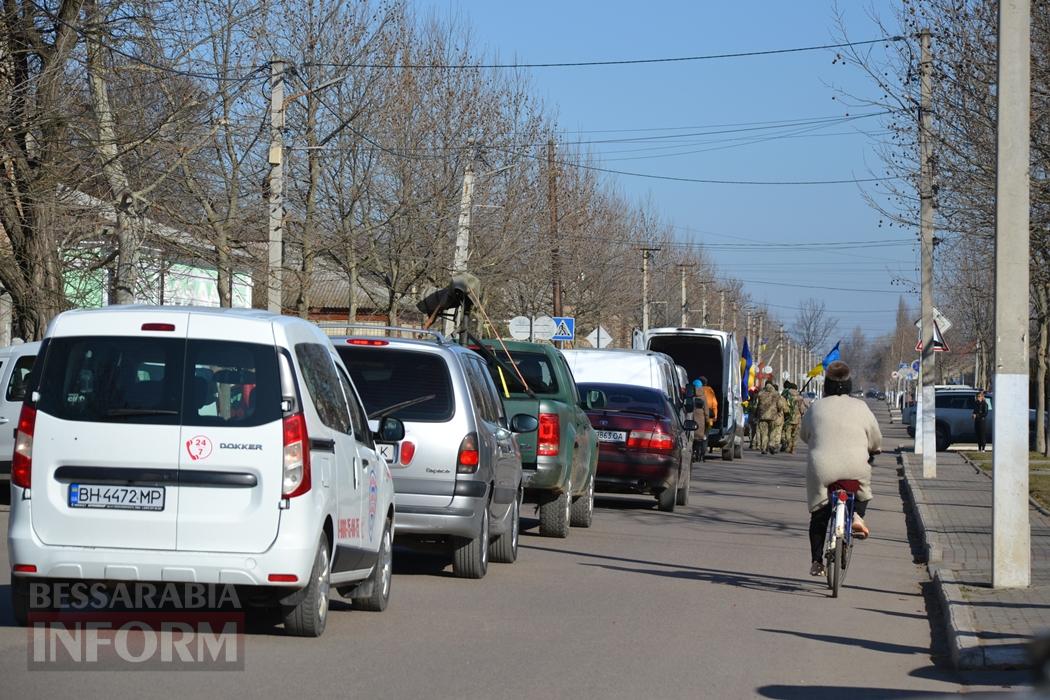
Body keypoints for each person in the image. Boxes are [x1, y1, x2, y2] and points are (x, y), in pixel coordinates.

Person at [799, 360, 882, 577]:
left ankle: (817, 561)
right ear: (850, 384)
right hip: (855, 467)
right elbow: (875, 438)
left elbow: (804, 434)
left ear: (826, 384)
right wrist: (874, 449)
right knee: (863, 491)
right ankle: (856, 517)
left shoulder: (816, 406)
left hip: (822, 468)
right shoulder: (861, 407)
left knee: (818, 514)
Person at [752, 381, 783, 454]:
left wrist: (755, 414)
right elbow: (780, 405)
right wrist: (779, 411)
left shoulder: (760, 394)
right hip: (773, 416)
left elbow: (756, 405)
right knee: (772, 431)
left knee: (764, 433)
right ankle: (771, 445)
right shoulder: (776, 394)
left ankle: (764, 448)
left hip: (762, 416)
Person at [781, 381, 806, 454]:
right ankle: (793, 448)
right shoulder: (800, 397)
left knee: (787, 433)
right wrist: (801, 413)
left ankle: (788, 445)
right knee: (795, 435)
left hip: (788, 418)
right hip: (797, 419)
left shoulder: (785, 396)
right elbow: (802, 409)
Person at [691, 379, 710, 461]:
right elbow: (706, 410)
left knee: (692, 439)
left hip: (691, 419)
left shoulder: (691, 396)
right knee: (700, 439)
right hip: (701, 420)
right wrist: (707, 420)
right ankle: (699, 454)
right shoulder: (703, 396)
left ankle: (693, 453)